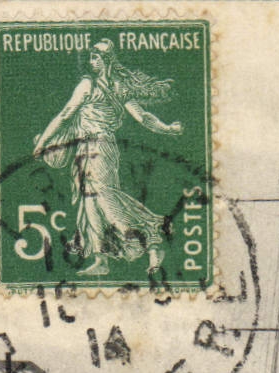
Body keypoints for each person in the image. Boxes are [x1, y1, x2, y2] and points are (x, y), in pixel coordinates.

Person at [31, 39, 182, 275]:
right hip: (87, 149)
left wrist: (41, 143)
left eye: (96, 57)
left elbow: (65, 115)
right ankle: (101, 260)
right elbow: (143, 117)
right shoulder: (115, 86)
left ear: (106, 60)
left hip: (100, 148)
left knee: (105, 200)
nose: (92, 62)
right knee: (89, 203)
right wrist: (168, 128)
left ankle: (154, 238)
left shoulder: (90, 85)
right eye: (91, 57)